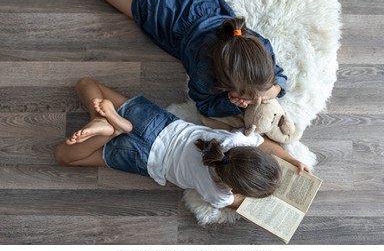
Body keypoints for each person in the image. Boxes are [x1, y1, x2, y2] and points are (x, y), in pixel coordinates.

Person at [55, 78, 311, 209]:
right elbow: (238, 204)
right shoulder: (219, 194)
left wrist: (291, 159)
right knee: (64, 156)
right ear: (234, 187)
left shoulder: (234, 140)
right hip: (143, 157)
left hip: (155, 122)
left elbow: (264, 143)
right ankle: (107, 133)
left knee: (87, 84)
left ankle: (102, 117)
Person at [74, 0, 287, 118]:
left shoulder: (259, 45)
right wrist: (231, 103)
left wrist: (273, 90)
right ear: (222, 84)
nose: (254, 102)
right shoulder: (204, 73)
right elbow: (205, 106)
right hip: (161, 11)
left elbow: (280, 75)